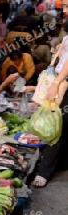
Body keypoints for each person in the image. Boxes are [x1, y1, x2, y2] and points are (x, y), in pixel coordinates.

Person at [31, 36, 68, 188]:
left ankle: (43, 172)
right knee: (63, 124)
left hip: (64, 83)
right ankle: (61, 163)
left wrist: (56, 83)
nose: (65, 10)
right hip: (62, 79)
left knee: (56, 126)